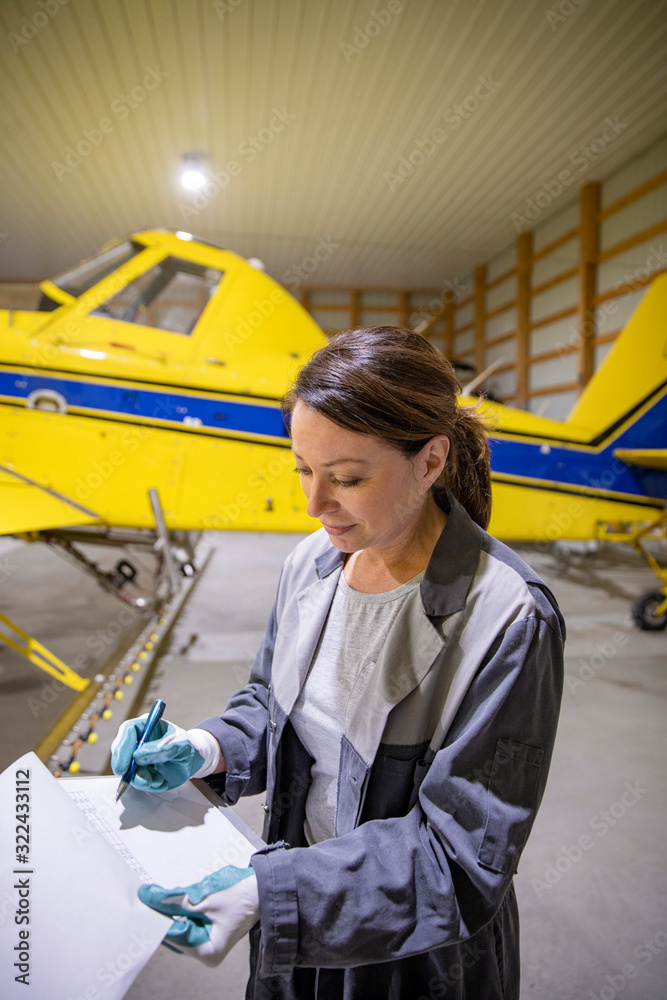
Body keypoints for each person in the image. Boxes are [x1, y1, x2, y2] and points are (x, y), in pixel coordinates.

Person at [111, 326, 565, 1000]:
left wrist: (278, 893)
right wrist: (205, 746)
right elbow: (273, 701)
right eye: (302, 468)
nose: (313, 504)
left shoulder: (507, 617)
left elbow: (459, 858)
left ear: (431, 461)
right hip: (302, 907)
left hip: (413, 953)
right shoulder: (311, 562)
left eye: (347, 478)